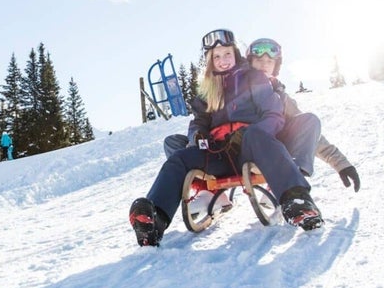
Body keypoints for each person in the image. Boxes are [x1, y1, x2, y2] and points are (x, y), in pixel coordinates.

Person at [131, 29, 323, 247]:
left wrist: (253, 132)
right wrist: (198, 137)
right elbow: (198, 122)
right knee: (180, 158)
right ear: (210, 61)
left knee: (256, 134)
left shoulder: (254, 78)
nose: (222, 61)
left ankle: (296, 201)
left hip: (252, 148)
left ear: (236, 54)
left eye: (227, 55)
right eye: (217, 57)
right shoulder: (207, 90)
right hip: (219, 153)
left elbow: (274, 114)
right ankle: (154, 219)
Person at [164, 37, 360, 193]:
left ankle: (292, 181)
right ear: (248, 63)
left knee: (308, 121)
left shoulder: (280, 97)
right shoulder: (235, 90)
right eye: (259, 60)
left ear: (276, 66)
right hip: (231, 152)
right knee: (175, 143)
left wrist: (341, 165)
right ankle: (208, 192)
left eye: (270, 61)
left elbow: (310, 134)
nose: (264, 65)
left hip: (272, 150)